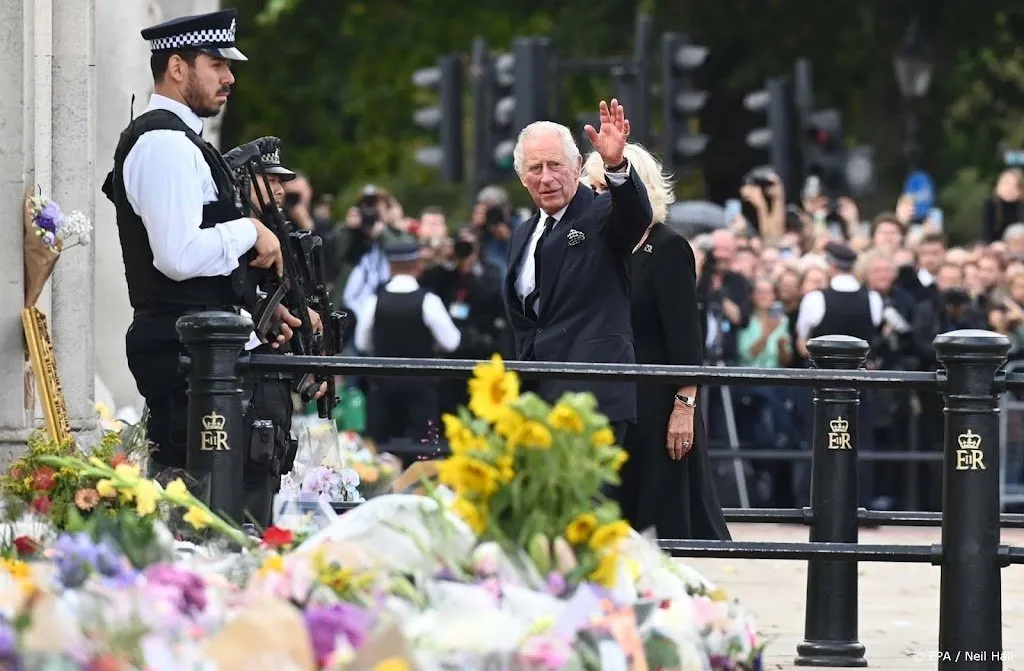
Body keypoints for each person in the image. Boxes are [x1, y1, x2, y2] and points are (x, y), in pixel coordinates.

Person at [101, 8, 302, 477]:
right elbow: (178, 256)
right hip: (185, 358)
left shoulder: (181, 141)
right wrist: (250, 230)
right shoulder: (164, 144)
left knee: (223, 501)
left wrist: (260, 312)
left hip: (199, 352)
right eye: (217, 63)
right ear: (177, 67)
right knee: (200, 507)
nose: (229, 77)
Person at [582, 144, 730, 540]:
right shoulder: (595, 250)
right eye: (592, 189)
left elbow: (687, 338)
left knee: (663, 528)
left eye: (605, 188)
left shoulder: (667, 247)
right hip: (610, 402)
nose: (597, 197)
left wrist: (684, 408)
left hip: (658, 406)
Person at [504, 100, 652, 446]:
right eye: (535, 168)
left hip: (593, 402)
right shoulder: (522, 234)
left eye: (555, 165)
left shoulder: (601, 213)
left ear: (578, 166)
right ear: (522, 177)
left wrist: (616, 165)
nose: (546, 178)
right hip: (537, 404)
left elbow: (635, 216)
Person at [228, 140, 327, 526]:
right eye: (270, 180)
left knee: (268, 468)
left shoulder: (273, 232)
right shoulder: (244, 233)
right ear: (243, 183)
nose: (281, 190)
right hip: (250, 372)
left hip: (271, 371)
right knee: (254, 472)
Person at [354, 240, 461, 459]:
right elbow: (452, 342)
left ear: (390, 266)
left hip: (382, 389)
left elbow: (361, 344)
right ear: (417, 264)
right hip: (421, 390)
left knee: (380, 455)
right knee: (424, 454)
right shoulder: (428, 301)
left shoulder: (375, 300)